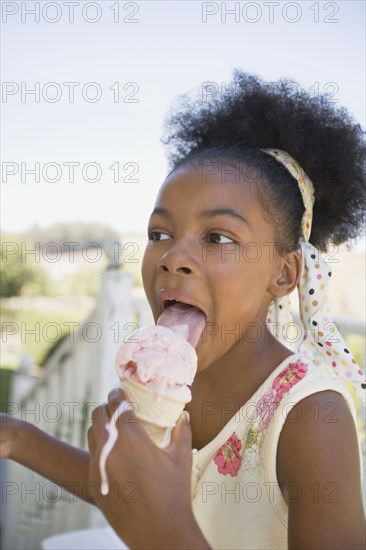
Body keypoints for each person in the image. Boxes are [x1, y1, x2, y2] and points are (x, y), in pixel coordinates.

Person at [1, 71, 365, 549]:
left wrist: (166, 533)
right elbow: (134, 492)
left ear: (284, 273)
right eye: (160, 234)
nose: (172, 257)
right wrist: (18, 438)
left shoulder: (310, 416)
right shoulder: (162, 385)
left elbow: (161, 518)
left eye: (217, 237)